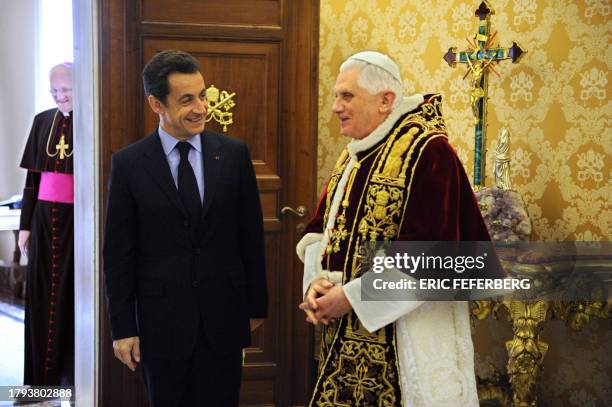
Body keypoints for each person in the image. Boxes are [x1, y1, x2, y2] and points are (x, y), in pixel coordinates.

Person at [296, 51, 505, 406]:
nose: (335, 107)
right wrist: (315, 280)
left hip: (411, 333)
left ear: (386, 100)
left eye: (346, 96)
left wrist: (350, 297)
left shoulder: (429, 151)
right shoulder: (353, 154)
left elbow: (433, 254)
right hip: (346, 333)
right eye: (336, 95)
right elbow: (324, 230)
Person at [103, 50, 267, 406]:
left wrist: (256, 307)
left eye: (203, 95)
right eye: (187, 99)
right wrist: (123, 328)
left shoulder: (234, 154)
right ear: (156, 104)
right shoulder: (129, 164)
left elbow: (250, 236)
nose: (201, 108)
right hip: (160, 323)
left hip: (223, 317)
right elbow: (118, 253)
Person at [18, 62, 75, 386]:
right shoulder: (43, 121)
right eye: (55, 91)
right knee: (40, 296)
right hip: (42, 221)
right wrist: (25, 227)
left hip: (74, 224)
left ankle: (67, 378)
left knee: (68, 295)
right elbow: (31, 181)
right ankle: (38, 380)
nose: (59, 96)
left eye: (65, 90)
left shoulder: (90, 121)